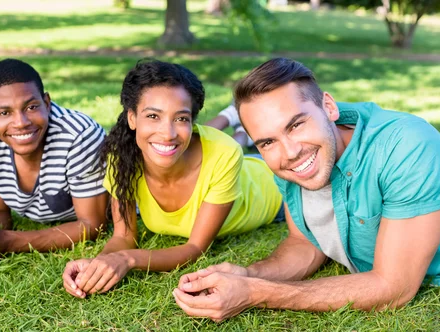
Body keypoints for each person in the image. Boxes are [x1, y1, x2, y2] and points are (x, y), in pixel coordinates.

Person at [173, 58, 440, 320]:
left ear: (329, 107)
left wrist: (256, 293)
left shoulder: (408, 147)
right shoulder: (290, 161)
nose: (290, 152)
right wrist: (247, 274)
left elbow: (394, 287)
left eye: (296, 124)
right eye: (267, 141)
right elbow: (305, 243)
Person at [62, 60, 283, 298]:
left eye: (181, 119)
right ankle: (235, 123)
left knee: (228, 146)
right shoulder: (122, 159)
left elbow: (195, 247)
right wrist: (97, 266)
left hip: (274, 190)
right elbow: (123, 236)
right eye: (153, 116)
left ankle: (239, 128)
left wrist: (128, 259)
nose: (167, 132)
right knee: (179, 144)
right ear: (132, 118)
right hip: (222, 161)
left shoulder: (224, 153)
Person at [0, 59, 108, 266]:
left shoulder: (80, 136)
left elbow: (92, 225)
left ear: (47, 103)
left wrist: (8, 241)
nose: (21, 123)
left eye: (31, 107)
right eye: (4, 113)